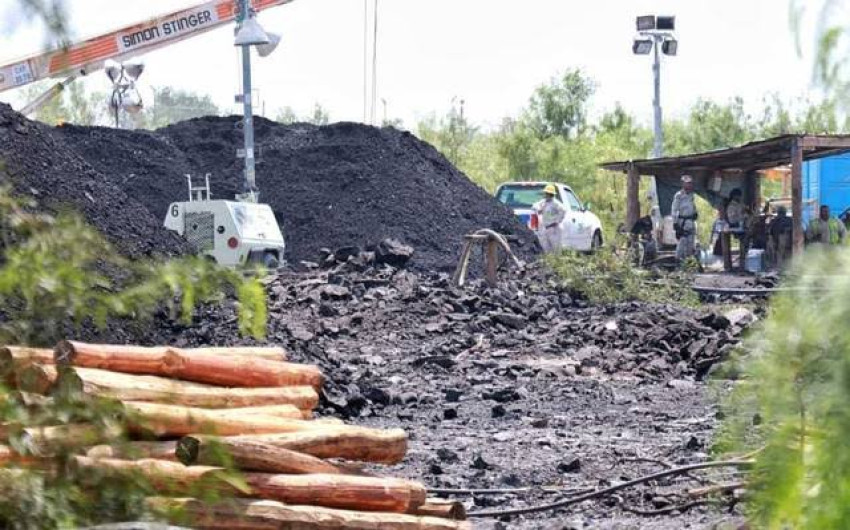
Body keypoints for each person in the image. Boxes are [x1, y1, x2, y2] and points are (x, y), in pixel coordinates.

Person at [671, 175, 698, 261]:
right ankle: (677, 262)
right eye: (687, 183)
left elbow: (692, 206)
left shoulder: (691, 195)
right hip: (682, 223)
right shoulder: (678, 195)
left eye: (690, 183)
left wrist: (695, 213)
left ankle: (689, 264)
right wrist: (675, 223)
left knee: (691, 244)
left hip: (691, 222)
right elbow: (674, 210)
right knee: (682, 243)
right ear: (683, 184)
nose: (689, 185)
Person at [533, 184, 567, 253]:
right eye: (546, 193)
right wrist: (539, 209)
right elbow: (534, 206)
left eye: (547, 193)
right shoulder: (543, 202)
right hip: (546, 228)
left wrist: (557, 221)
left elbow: (563, 211)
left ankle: (556, 262)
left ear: (551, 194)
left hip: (554, 229)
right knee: (546, 249)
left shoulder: (556, 203)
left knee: (556, 250)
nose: (546, 195)